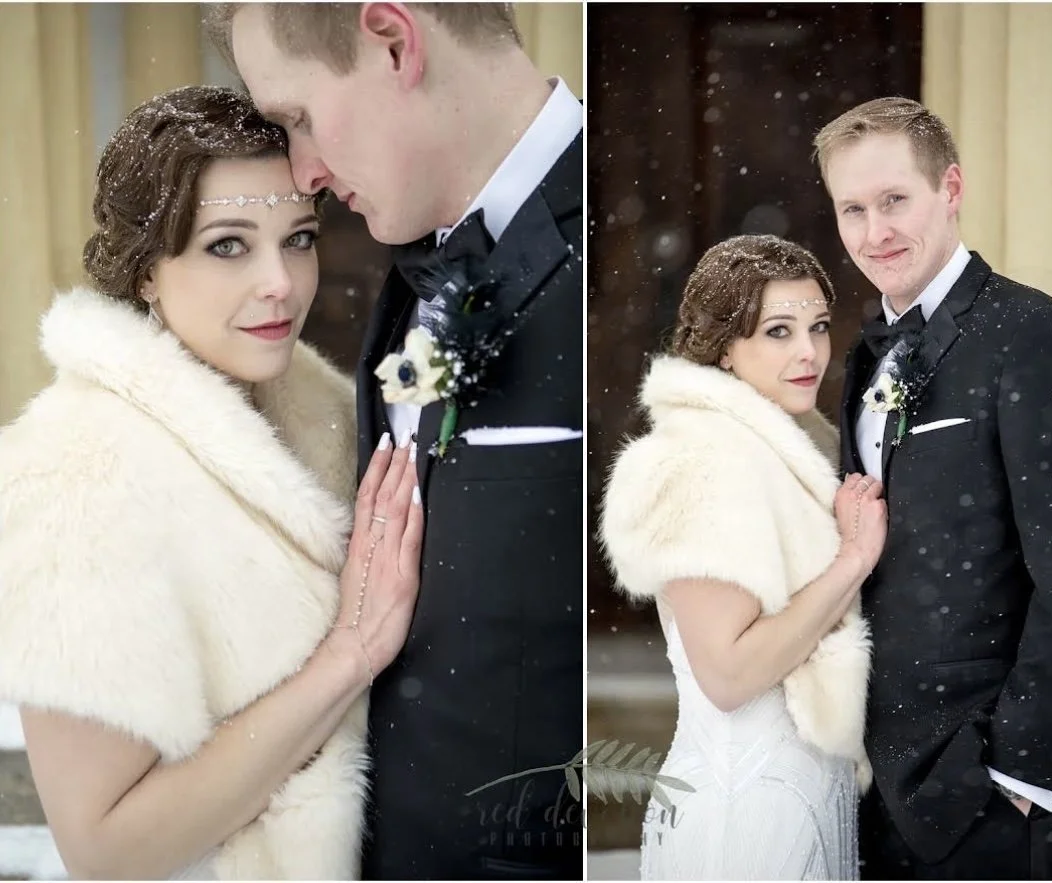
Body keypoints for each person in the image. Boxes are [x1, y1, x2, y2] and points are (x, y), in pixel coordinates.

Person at [0, 85, 423, 880]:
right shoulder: (75, 472)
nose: (282, 283)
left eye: (298, 238)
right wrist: (348, 655)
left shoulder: (337, 414)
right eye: (229, 245)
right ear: (147, 270)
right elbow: (107, 848)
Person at [205, 4, 583, 878]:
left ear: (392, 39)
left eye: (297, 118)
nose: (302, 170)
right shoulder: (415, 262)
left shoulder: (604, 261)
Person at [814, 96, 1052, 879]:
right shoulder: (864, 356)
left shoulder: (1029, 334)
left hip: (981, 785)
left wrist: (1017, 774)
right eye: (853, 208)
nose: (875, 232)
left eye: (895, 201)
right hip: (876, 782)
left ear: (950, 188)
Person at [600, 235, 884, 880]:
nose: (809, 352)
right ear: (724, 347)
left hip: (806, 794)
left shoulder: (794, 452)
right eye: (778, 331)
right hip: (745, 812)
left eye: (816, 326)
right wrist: (853, 559)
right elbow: (727, 676)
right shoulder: (703, 461)